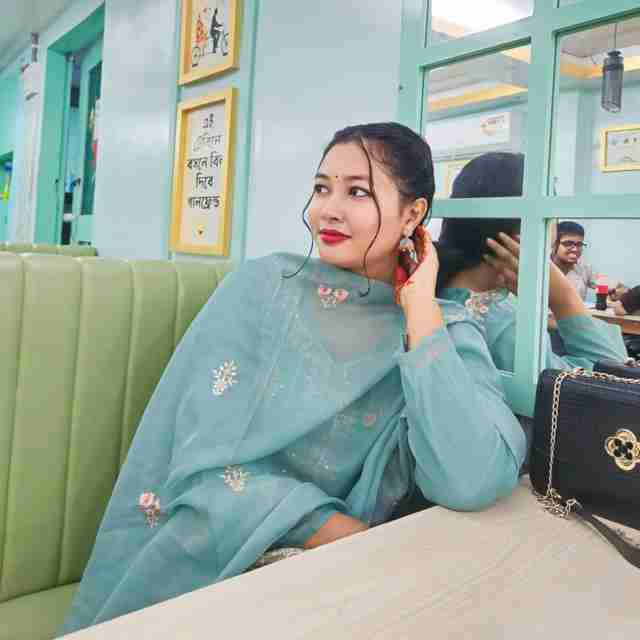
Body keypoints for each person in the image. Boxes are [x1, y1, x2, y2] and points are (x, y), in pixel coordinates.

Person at [60, 123, 527, 635]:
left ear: (413, 215)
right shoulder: (263, 290)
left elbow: (472, 479)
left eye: (357, 192)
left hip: (346, 583)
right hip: (229, 548)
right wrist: (344, 535)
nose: (328, 209)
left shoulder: (442, 328)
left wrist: (420, 311)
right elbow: (202, 466)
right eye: (322, 188)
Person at [435, 153, 627, 374]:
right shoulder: (504, 322)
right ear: (521, 235)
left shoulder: (430, 288)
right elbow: (614, 380)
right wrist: (562, 296)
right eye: (551, 217)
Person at [551, 221, 596, 301]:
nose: (575, 249)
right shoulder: (543, 269)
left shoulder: (584, 268)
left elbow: (603, 283)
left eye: (579, 244)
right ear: (555, 244)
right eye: (568, 243)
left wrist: (614, 290)